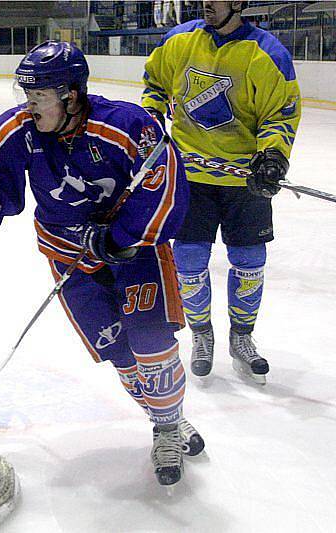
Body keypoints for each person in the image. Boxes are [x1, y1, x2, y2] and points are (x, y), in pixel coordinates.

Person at [0, 41, 202, 487]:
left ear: (71, 94)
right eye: (25, 95)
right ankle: (163, 415)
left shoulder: (127, 125)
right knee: (121, 355)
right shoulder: (17, 128)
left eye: (38, 97)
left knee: (151, 345)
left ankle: (166, 425)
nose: (28, 107)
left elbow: (167, 187)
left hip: (135, 257)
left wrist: (119, 238)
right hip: (68, 260)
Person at [141, 0, 301, 384]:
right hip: (189, 177)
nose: (205, 4)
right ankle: (202, 335)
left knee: (249, 260)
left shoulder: (266, 52)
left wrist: (273, 158)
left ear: (240, 3)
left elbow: (279, 113)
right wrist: (150, 126)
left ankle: (241, 338)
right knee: (190, 259)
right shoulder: (180, 41)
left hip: (243, 180)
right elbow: (155, 88)